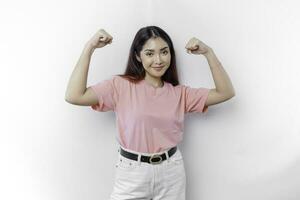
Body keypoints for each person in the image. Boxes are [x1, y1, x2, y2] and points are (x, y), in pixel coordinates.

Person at [65, 26, 235, 200]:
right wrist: (89, 47)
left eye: (164, 52)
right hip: (132, 173)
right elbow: (74, 95)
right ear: (138, 56)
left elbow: (225, 92)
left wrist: (209, 53)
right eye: (149, 53)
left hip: (171, 173)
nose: (158, 60)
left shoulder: (180, 93)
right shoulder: (119, 86)